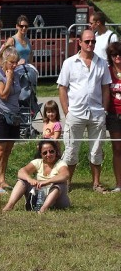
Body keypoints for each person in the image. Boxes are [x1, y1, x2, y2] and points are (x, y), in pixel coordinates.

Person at [57, 29, 111, 192]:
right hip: (76, 113)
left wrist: (104, 110)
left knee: (96, 150)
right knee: (71, 150)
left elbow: (106, 88)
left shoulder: (102, 63)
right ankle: (66, 182)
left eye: (93, 41)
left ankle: (96, 183)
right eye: (87, 41)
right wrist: (67, 111)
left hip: (96, 113)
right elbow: (62, 88)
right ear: (79, 43)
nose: (90, 44)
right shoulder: (69, 63)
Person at [2, 140, 70, 213]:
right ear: (41, 154)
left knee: (60, 184)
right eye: (45, 153)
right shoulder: (38, 162)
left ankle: (43, 209)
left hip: (57, 200)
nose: (48, 154)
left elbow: (65, 175)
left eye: (51, 151)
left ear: (56, 151)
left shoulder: (61, 163)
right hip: (39, 195)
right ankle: (9, 206)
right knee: (22, 181)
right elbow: (21, 172)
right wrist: (29, 179)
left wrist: (47, 182)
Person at [0, 47, 22, 194]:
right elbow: (3, 95)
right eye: (11, 62)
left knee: (8, 149)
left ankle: (2, 179)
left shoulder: (17, 74)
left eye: (16, 62)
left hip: (14, 116)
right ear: (4, 61)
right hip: (0, 116)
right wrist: (9, 79)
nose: (14, 65)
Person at [106, 41, 121, 192]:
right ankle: (119, 184)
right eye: (114, 54)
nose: (117, 57)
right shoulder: (108, 71)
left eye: (119, 54)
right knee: (117, 148)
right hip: (113, 114)